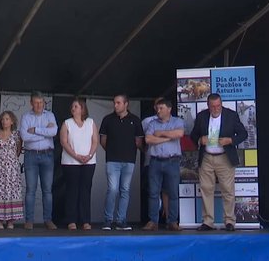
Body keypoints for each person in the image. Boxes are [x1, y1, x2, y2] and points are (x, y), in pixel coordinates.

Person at [190, 93, 248, 231]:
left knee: (228, 190)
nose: (216, 109)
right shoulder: (201, 116)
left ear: (221, 104)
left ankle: (229, 221)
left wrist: (230, 140)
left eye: (218, 106)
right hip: (207, 157)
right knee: (206, 189)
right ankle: (207, 221)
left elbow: (243, 134)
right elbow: (193, 135)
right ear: (208, 106)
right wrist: (199, 140)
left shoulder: (231, 115)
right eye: (213, 107)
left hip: (224, 156)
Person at [99, 94, 144, 231]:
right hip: (112, 160)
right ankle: (108, 220)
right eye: (114, 103)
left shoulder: (135, 120)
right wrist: (112, 151)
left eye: (118, 103)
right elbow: (103, 141)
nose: (115, 105)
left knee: (125, 190)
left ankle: (121, 220)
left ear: (126, 104)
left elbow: (139, 141)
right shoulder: (108, 119)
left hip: (129, 161)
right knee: (112, 189)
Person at [143, 98, 184, 231]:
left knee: (172, 192)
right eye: (157, 108)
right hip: (155, 161)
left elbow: (179, 133)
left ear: (169, 109)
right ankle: (153, 221)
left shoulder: (177, 121)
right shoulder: (153, 123)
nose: (158, 111)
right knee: (153, 192)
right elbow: (148, 139)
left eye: (161, 108)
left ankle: (172, 221)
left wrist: (160, 134)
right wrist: (168, 138)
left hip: (172, 161)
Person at [20, 91, 58, 230]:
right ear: (31, 103)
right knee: (31, 189)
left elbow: (53, 132)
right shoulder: (26, 116)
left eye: (41, 102)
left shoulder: (50, 115)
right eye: (36, 103)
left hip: (47, 155)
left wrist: (35, 130)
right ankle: (29, 220)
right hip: (31, 155)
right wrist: (44, 134)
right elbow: (24, 136)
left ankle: (48, 219)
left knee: (47, 190)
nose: (39, 105)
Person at [60, 97, 98, 231]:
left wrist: (89, 156)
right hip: (71, 163)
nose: (73, 108)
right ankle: (71, 220)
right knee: (72, 190)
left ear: (82, 108)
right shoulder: (67, 123)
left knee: (85, 191)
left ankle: (85, 221)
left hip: (89, 163)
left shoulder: (90, 122)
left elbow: (95, 141)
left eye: (75, 106)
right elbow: (64, 142)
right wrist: (76, 156)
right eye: (72, 107)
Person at [0, 111, 24, 229]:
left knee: (12, 191)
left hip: (12, 168)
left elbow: (18, 150)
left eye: (7, 119)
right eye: (3, 119)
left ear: (12, 121)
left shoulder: (16, 135)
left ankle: (10, 221)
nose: (4, 121)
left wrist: (10, 160)